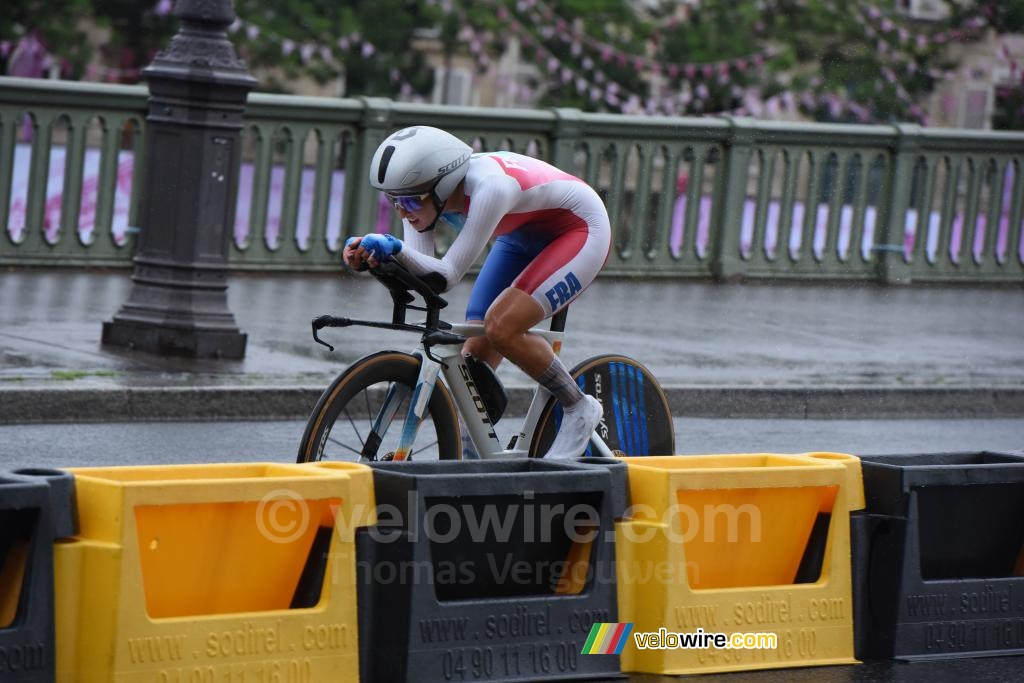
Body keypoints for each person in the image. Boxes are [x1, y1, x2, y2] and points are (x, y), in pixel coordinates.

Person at [343, 125, 610, 459]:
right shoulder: (418, 200)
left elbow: (446, 275)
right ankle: (474, 464)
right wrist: (369, 259)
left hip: (580, 229)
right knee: (472, 366)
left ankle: (577, 406)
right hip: (520, 238)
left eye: (409, 200)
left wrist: (392, 247)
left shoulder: (490, 188)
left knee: (501, 325)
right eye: (394, 201)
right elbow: (420, 269)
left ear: (440, 188)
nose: (402, 211)